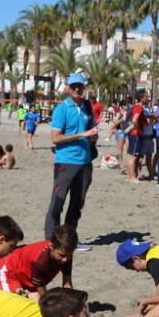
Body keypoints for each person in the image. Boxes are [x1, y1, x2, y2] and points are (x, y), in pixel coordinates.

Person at [46, 75, 99, 241]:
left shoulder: (86, 107)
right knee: (57, 203)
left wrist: (92, 137)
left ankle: (68, 240)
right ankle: (51, 240)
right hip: (66, 162)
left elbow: (90, 131)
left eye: (80, 86)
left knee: (77, 204)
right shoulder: (61, 109)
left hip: (85, 162)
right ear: (68, 88)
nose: (77, 89)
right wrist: (81, 134)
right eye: (74, 86)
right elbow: (55, 138)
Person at [0, 225, 77, 298]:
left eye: (69, 255)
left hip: (28, 277)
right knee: (14, 304)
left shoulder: (66, 252)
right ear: (51, 246)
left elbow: (67, 284)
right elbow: (43, 296)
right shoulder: (40, 261)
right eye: (61, 255)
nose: (65, 259)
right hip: (9, 271)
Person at [126, 91, 154, 182]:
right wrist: (138, 129)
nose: (147, 98)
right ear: (141, 98)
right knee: (134, 157)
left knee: (131, 156)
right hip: (136, 134)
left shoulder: (135, 107)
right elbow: (134, 120)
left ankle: (129, 176)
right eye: (146, 96)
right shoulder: (139, 108)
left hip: (132, 134)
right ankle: (132, 177)